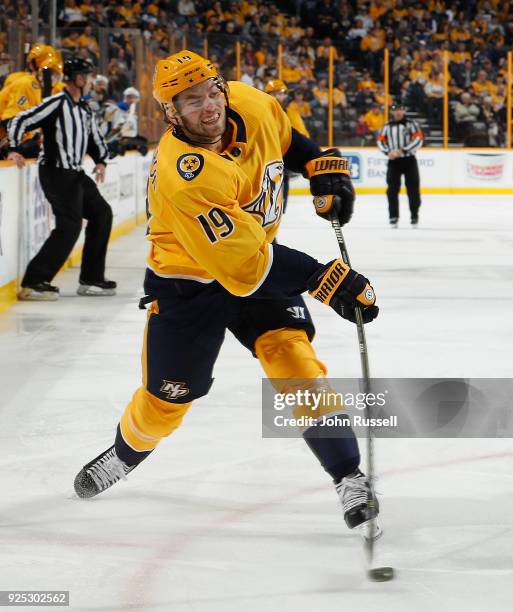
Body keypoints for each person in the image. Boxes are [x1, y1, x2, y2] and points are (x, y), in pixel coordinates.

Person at [73, 51, 380, 538]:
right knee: (166, 401)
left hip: (257, 264)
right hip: (188, 284)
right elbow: (247, 268)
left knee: (294, 362)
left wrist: (322, 166)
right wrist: (327, 278)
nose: (209, 106)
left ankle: (348, 474)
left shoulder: (251, 104)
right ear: (171, 113)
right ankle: (126, 454)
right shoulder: (184, 174)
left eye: (212, 91)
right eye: (191, 101)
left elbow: (289, 140)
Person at [7, 57, 116, 300]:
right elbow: (20, 120)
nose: (90, 82)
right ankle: (34, 282)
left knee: (102, 214)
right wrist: (12, 148)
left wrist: (100, 160)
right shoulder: (56, 103)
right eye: (87, 77)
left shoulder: (83, 108)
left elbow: (93, 137)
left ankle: (91, 278)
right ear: (78, 79)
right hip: (55, 172)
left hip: (75, 173)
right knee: (70, 225)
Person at [377, 102, 423, 227]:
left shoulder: (412, 124)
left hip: (409, 160)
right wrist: (388, 152)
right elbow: (380, 141)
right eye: (395, 110)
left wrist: (402, 150)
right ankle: (393, 217)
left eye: (399, 110)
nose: (397, 112)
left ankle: (414, 216)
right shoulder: (387, 126)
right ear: (392, 112)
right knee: (391, 190)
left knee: (413, 189)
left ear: (403, 111)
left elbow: (419, 140)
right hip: (393, 162)